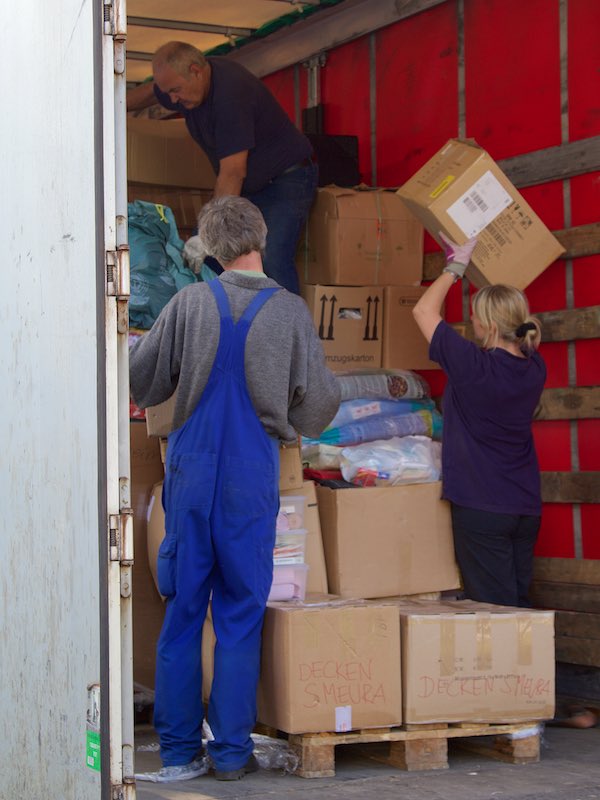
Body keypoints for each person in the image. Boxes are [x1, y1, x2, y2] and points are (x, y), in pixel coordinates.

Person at [129, 196, 339, 783]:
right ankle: (228, 754)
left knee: (183, 612)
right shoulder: (291, 311)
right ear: (261, 238)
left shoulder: (189, 303)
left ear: (212, 249)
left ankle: (178, 755)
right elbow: (319, 409)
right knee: (241, 615)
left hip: (192, 476)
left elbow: (142, 383)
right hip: (251, 477)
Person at [412, 233, 546, 608]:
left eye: (474, 314)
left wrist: (456, 267)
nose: (470, 319)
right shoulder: (535, 366)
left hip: (483, 505)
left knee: (495, 613)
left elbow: (423, 311)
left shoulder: (474, 367)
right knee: (517, 607)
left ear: (486, 324)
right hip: (524, 506)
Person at [127, 41, 318, 295]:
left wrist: (207, 235)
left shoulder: (231, 96)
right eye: (168, 92)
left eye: (175, 90)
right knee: (203, 259)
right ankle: (216, 317)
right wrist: (114, 101)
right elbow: (153, 92)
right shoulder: (185, 86)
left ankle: (288, 320)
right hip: (250, 183)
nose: (172, 100)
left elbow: (233, 172)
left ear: (195, 71)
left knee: (270, 256)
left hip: (286, 178)